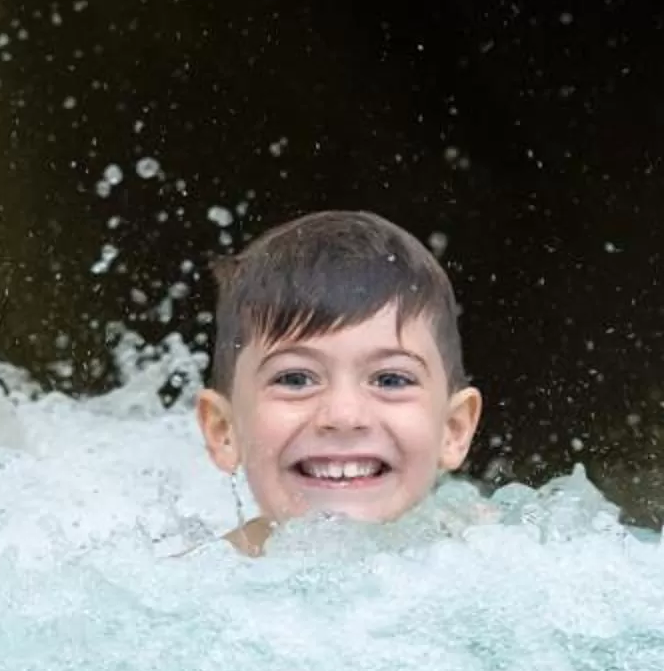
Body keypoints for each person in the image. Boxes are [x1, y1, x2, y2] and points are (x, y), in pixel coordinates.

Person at [193, 210, 482, 554]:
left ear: (454, 430)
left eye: (390, 380)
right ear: (224, 431)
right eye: (295, 379)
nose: (344, 416)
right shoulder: (188, 578)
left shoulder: (496, 557)